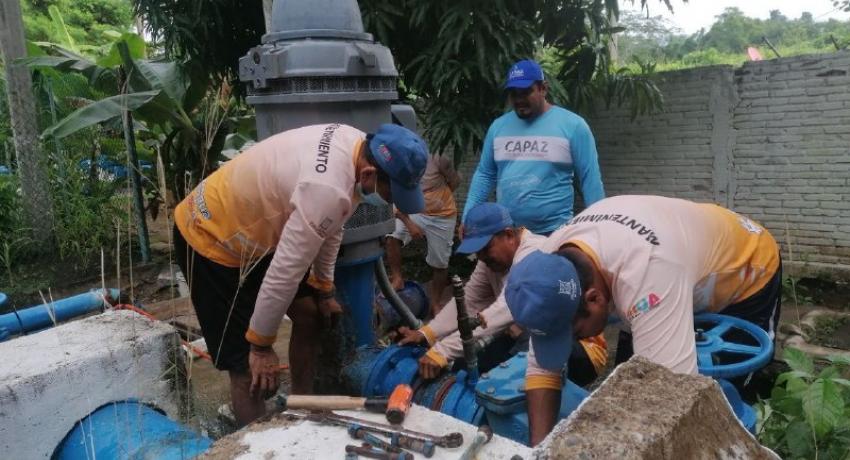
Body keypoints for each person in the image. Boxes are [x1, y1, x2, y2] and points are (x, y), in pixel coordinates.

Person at [173, 123, 428, 426]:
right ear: (370, 174)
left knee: (312, 316)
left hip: (256, 233)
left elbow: (334, 224)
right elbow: (285, 272)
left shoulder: (356, 144)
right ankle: (257, 445)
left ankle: (300, 409)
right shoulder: (327, 187)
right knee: (247, 368)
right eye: (391, 194)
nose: (391, 202)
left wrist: (324, 290)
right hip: (210, 236)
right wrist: (261, 345)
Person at [503, 195, 782, 445]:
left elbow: (673, 399)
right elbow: (541, 370)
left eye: (574, 332)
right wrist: (538, 451)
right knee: (630, 384)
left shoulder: (648, 272)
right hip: (673, 264)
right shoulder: (552, 263)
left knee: (725, 399)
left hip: (745, 268)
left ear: (594, 299)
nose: (572, 341)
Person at [397, 202, 607, 386]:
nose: (481, 257)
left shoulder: (533, 254)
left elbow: (505, 310)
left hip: (579, 347)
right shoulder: (489, 262)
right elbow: (469, 302)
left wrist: (442, 351)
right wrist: (427, 334)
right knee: (463, 367)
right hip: (528, 337)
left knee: (504, 382)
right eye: (476, 251)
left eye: (486, 248)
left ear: (508, 235)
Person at [462, 59, 605, 237]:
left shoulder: (573, 126)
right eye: (514, 94)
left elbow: (589, 178)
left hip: (553, 233)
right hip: (508, 234)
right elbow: (485, 174)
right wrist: (468, 216)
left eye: (526, 92)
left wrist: (599, 228)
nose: (519, 100)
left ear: (543, 88)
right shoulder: (498, 127)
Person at [385, 153, 461, 316]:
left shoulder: (439, 159)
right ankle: (397, 278)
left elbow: (455, 181)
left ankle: (435, 303)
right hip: (413, 211)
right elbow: (395, 200)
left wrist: (437, 198)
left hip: (443, 215)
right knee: (392, 235)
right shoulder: (395, 165)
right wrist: (410, 224)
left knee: (440, 262)